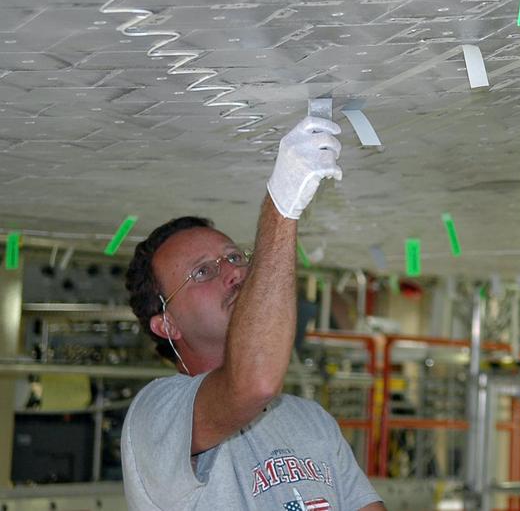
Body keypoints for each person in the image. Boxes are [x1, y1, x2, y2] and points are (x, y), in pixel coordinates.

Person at [121, 116, 385, 510]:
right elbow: (253, 383)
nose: (233, 272)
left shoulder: (310, 420)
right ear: (167, 324)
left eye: (233, 256)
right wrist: (280, 206)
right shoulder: (157, 413)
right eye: (203, 272)